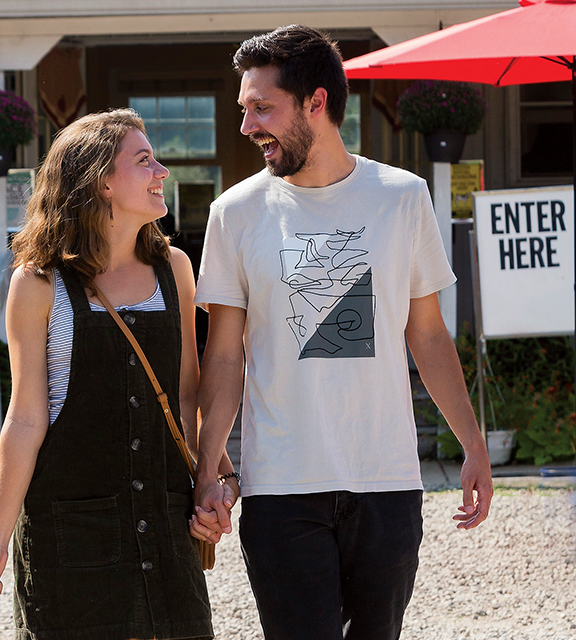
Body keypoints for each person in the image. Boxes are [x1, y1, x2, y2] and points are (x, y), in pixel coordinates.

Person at [189, 25, 494, 640]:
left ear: (317, 102)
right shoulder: (235, 212)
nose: (248, 125)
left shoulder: (402, 197)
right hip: (280, 487)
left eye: (262, 107)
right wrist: (206, 469)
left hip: (386, 482)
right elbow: (222, 356)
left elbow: (429, 336)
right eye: (242, 108)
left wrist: (474, 443)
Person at [0, 108, 237, 640]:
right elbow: (24, 419)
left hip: (163, 528)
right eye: (144, 161)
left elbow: (185, 396)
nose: (162, 172)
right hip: (69, 538)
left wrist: (212, 481)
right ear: (101, 183)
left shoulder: (175, 269)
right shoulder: (39, 282)